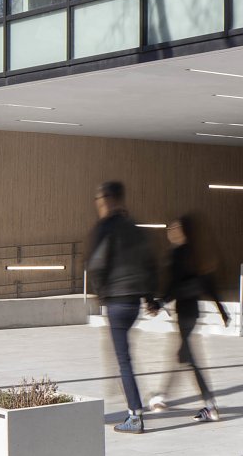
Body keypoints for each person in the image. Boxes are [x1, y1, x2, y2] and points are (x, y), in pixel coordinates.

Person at [85, 180, 158, 434]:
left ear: (107, 199)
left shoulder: (105, 227)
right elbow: (148, 265)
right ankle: (128, 396)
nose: (97, 204)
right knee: (123, 357)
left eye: (98, 199)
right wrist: (150, 299)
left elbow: (96, 264)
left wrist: (101, 294)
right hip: (133, 303)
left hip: (117, 301)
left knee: (123, 361)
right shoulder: (134, 228)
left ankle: (135, 415)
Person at [150, 213, 230, 422]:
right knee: (182, 355)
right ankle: (162, 397)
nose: (170, 232)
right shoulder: (196, 254)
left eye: (174, 228)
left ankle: (210, 406)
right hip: (192, 312)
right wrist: (222, 309)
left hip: (185, 312)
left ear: (182, 231)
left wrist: (159, 303)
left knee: (188, 358)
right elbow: (208, 284)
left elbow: (173, 286)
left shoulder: (178, 254)